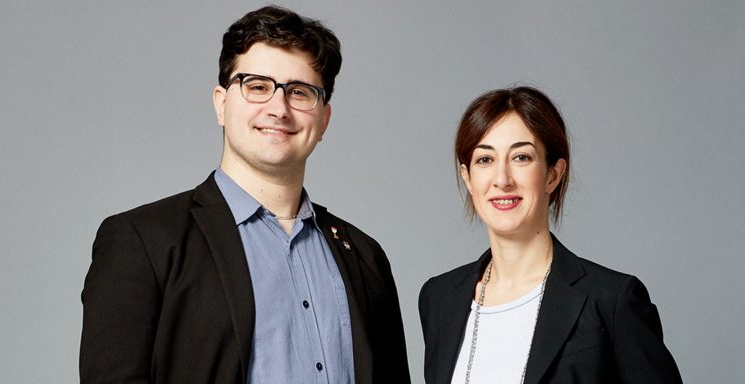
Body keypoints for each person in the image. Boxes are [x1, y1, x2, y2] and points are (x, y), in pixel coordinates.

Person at [80, 6, 410, 384]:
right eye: (257, 86)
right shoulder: (142, 241)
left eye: (299, 92)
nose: (278, 108)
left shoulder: (365, 255)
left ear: (323, 120)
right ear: (221, 103)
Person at [418, 86, 682, 383]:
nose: (502, 179)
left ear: (553, 174)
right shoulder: (440, 299)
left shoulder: (611, 301)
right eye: (485, 160)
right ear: (467, 177)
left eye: (521, 157)